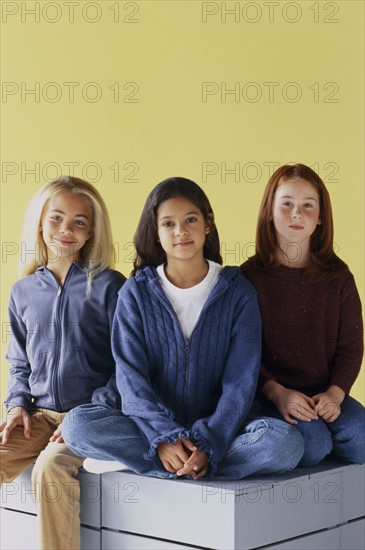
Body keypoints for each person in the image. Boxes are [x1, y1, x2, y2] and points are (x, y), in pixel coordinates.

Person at [62, 176, 303, 481]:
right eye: (168, 224)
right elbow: (131, 378)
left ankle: (167, 462)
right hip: (153, 428)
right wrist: (163, 437)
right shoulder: (135, 293)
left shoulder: (238, 292)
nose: (180, 232)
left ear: (207, 224)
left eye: (190, 219)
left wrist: (210, 441)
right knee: (77, 426)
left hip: (221, 428)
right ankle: (184, 463)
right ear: (156, 232)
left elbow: (240, 383)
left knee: (285, 445)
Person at [0, 176, 126, 550]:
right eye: (56, 218)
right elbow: (19, 361)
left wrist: (91, 412)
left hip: (92, 418)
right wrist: (17, 404)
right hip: (40, 415)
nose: (66, 230)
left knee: (50, 468)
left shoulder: (109, 287)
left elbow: (128, 364)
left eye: (79, 222)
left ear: (92, 232)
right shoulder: (22, 291)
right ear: (40, 222)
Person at [240, 163, 365, 467]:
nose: (297, 213)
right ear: (269, 211)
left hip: (325, 393)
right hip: (272, 395)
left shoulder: (339, 277)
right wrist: (277, 393)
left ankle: (326, 437)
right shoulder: (249, 277)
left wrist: (335, 395)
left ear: (321, 217)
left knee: (361, 440)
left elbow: (351, 347)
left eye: (308, 205)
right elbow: (243, 353)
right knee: (312, 445)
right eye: (287, 204)